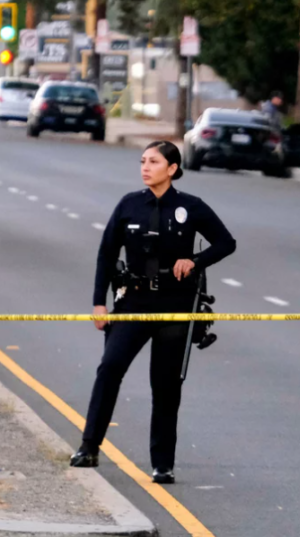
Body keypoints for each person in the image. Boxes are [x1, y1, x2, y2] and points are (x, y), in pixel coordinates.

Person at [70, 141, 236, 484]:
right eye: (143, 161)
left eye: (154, 162)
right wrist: (99, 302)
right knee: (110, 368)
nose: (145, 167)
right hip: (133, 302)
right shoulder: (129, 205)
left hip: (174, 305)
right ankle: (89, 446)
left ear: (172, 168)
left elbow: (226, 242)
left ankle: (163, 463)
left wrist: (195, 260)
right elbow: (105, 254)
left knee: (164, 385)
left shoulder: (190, 207)